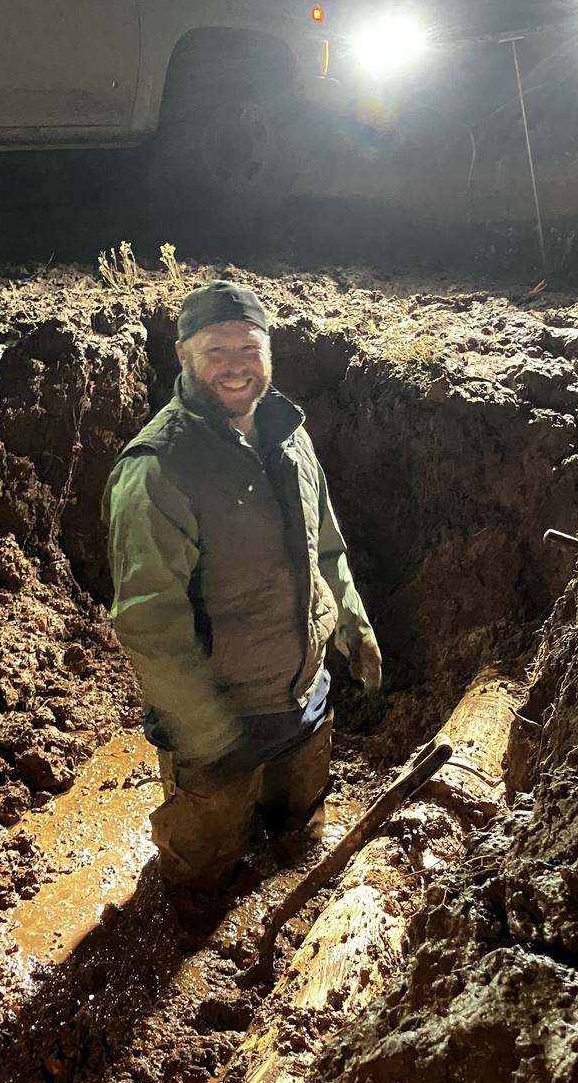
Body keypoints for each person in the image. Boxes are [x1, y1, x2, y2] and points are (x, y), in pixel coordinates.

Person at [103, 279, 381, 909]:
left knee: (298, 835)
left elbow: (325, 549)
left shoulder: (290, 434)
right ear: (183, 356)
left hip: (305, 701)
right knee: (200, 878)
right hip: (221, 725)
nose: (234, 365)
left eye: (248, 348)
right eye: (215, 351)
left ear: (269, 351)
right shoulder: (157, 469)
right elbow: (150, 624)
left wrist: (354, 627)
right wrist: (209, 736)